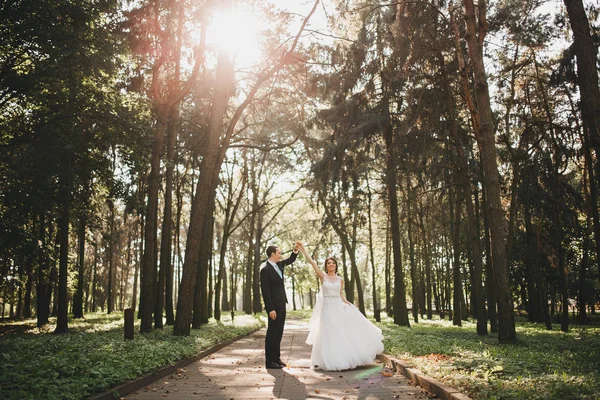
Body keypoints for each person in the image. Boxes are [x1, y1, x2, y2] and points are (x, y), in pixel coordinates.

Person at [298, 243, 384, 371]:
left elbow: (340, 294)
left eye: (333, 263)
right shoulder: (323, 276)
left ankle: (345, 357)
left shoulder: (340, 279)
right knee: (328, 332)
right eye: (329, 263)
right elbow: (312, 263)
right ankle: (328, 359)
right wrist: (304, 251)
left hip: (339, 305)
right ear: (326, 266)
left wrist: (347, 302)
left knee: (341, 332)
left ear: (336, 265)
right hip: (327, 307)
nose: (331, 265)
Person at [260, 242, 300, 369]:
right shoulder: (265, 270)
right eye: (279, 252)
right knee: (272, 333)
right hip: (273, 307)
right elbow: (265, 292)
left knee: (279, 332)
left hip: (282, 304)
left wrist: (295, 250)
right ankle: (269, 361)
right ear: (272, 254)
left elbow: (291, 259)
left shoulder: (279, 265)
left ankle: (276, 359)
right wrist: (270, 308)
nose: (281, 254)